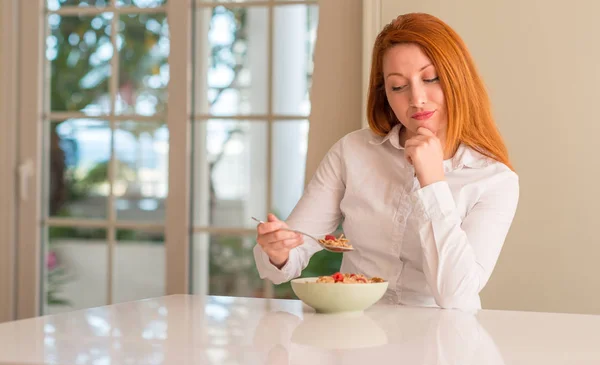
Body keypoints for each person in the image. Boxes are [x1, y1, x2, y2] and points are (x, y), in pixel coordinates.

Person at [253, 12, 519, 310]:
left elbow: (455, 296)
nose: (417, 98)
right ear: (385, 95)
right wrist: (279, 251)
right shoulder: (352, 151)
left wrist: (433, 182)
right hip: (357, 334)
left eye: (430, 78)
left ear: (457, 80)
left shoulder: (494, 180)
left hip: (442, 342)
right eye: (398, 86)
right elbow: (294, 251)